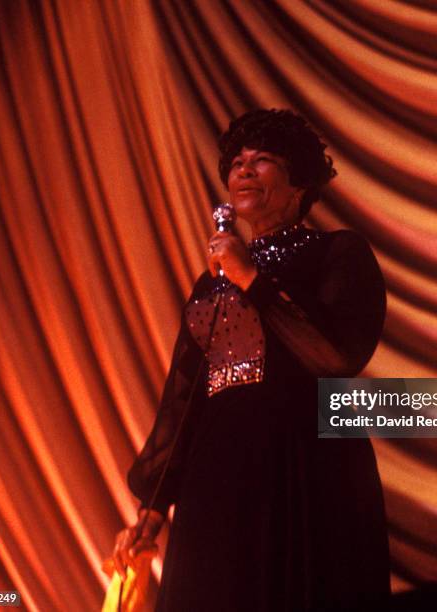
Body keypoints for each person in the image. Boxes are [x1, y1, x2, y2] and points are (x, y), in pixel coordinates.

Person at [111, 109, 389, 611]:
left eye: (262, 161)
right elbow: (183, 401)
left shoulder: (337, 253)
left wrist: (252, 280)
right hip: (215, 481)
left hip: (303, 468)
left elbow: (336, 356)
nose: (243, 170)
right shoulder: (210, 284)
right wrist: (149, 512)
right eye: (237, 162)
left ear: (299, 181)